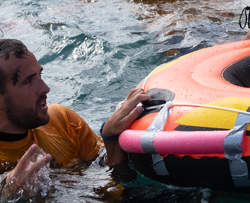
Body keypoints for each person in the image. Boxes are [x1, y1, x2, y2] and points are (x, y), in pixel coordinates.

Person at [0, 40, 149, 200]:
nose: (45, 88)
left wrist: (111, 138)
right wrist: (9, 195)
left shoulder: (62, 121)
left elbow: (110, 181)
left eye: (40, 75)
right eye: (28, 81)